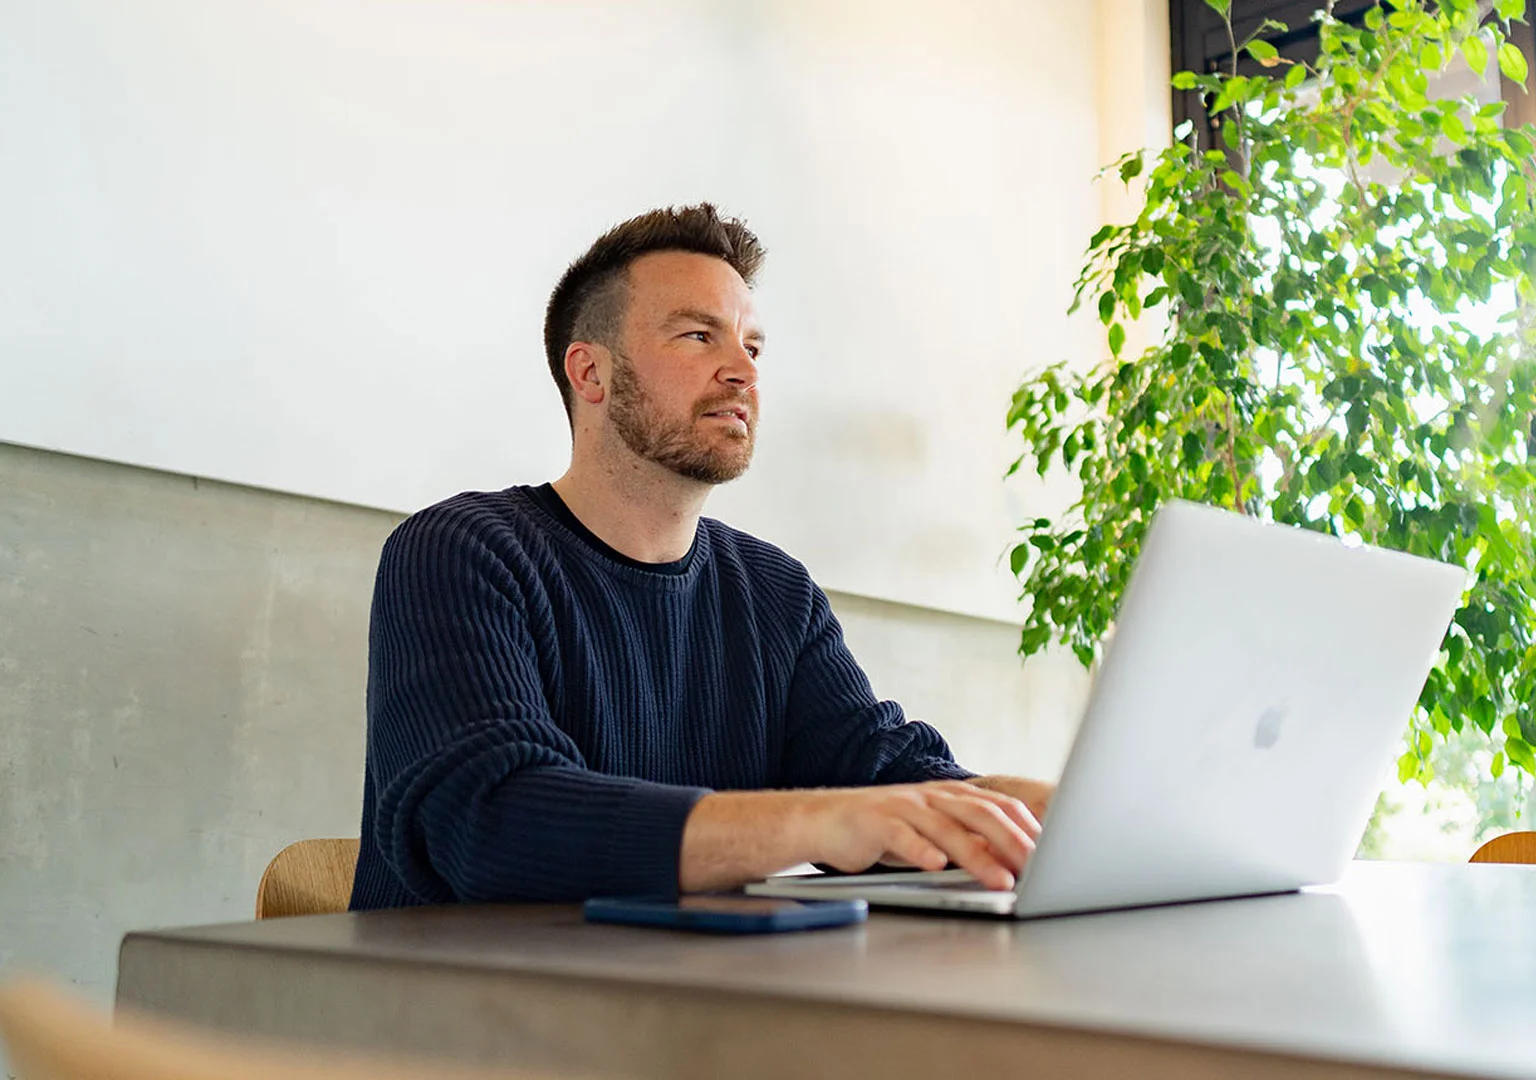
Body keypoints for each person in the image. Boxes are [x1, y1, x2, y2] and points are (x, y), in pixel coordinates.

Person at [348, 205, 1054, 909]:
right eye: (697, 335)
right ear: (590, 372)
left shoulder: (777, 592)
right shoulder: (460, 551)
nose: (743, 370)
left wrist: (1036, 813)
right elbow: (492, 823)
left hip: (695, 1005)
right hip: (463, 1007)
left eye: (754, 346)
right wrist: (819, 821)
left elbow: (883, 776)